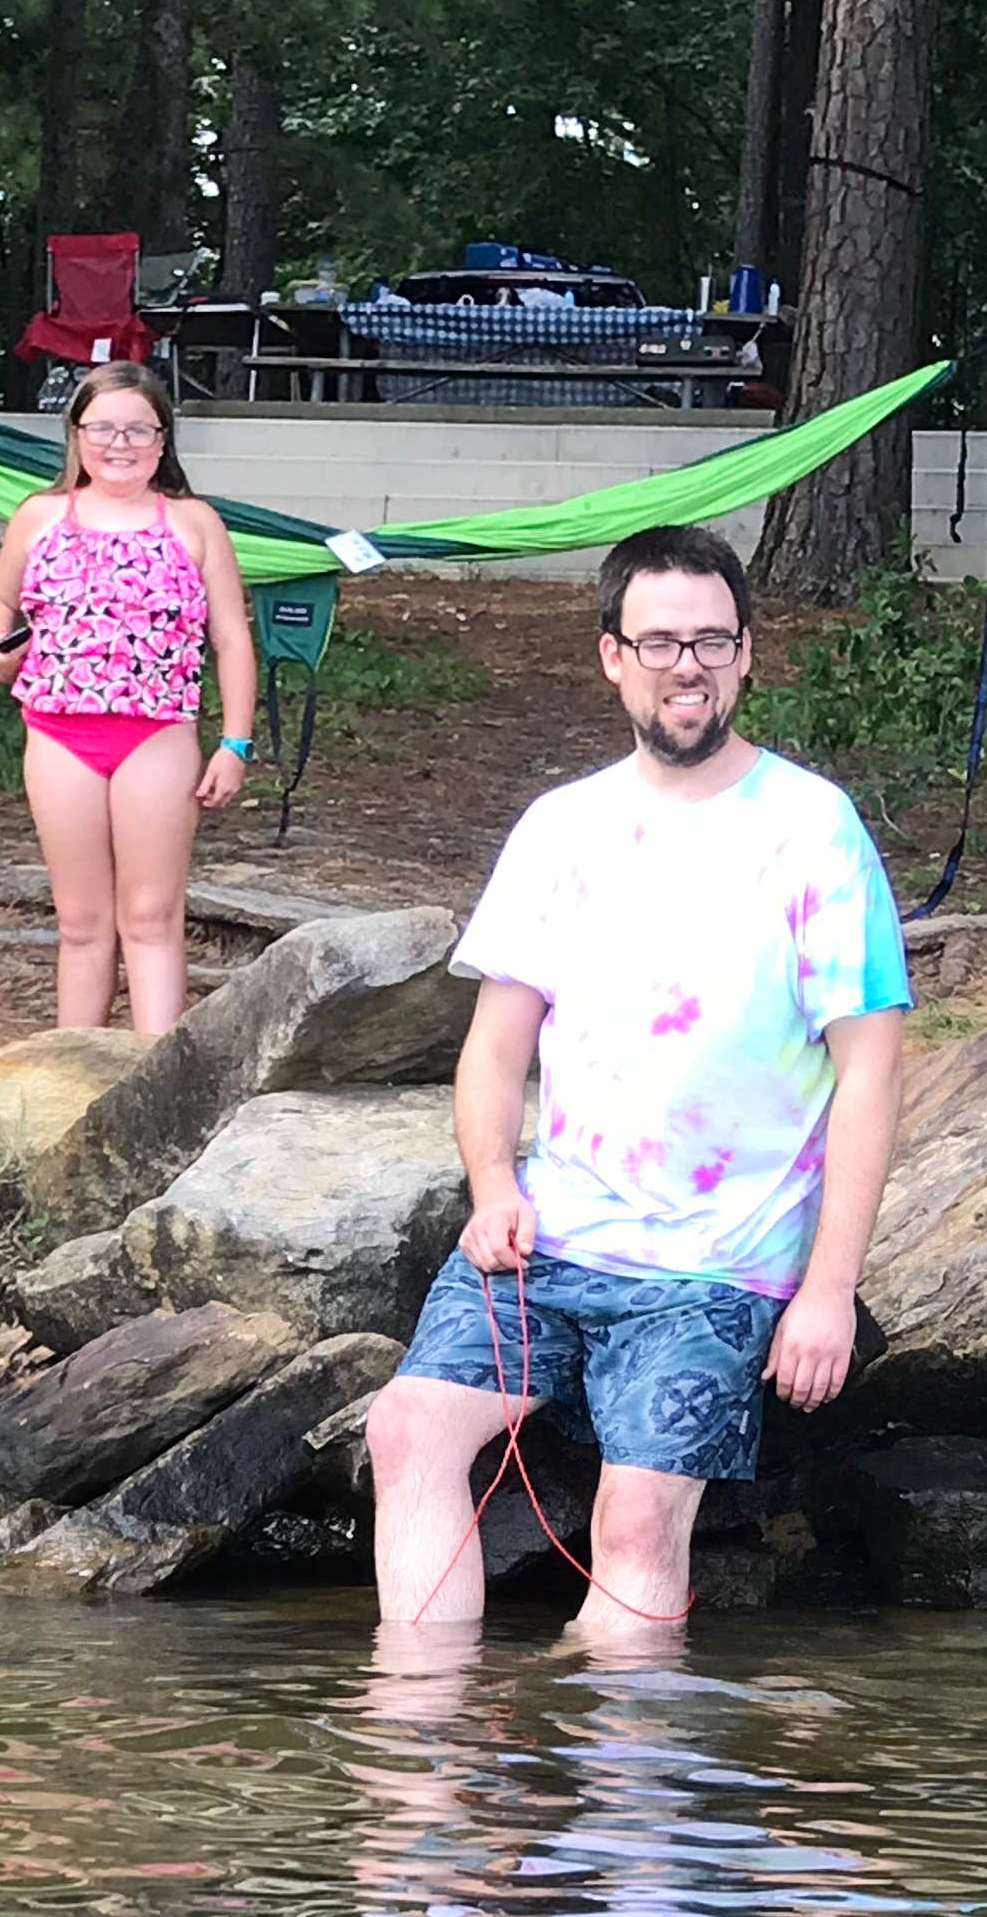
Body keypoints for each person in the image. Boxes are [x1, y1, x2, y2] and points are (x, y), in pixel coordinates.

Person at [367, 523, 910, 1644]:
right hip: (551, 1239)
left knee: (634, 1523)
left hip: (719, 1267)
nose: (688, 666)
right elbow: (496, 1046)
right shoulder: (562, 828)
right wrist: (490, 1185)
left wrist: (825, 1290)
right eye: (660, 641)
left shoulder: (815, 831)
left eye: (713, 641)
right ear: (613, 655)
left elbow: (871, 1073)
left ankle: (623, 1806)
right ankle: (422, 1759)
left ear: (748, 655)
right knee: (409, 1429)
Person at [0, 362, 259, 1034]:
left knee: (152, 917)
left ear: (164, 440)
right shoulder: (39, 517)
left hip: (156, 736)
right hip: (58, 735)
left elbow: (232, 638)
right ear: (75, 436)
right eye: (102, 427)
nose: (120, 443)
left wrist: (235, 743)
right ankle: (75, 1072)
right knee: (80, 921)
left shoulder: (193, 522)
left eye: (138, 428)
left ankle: (157, 1081)